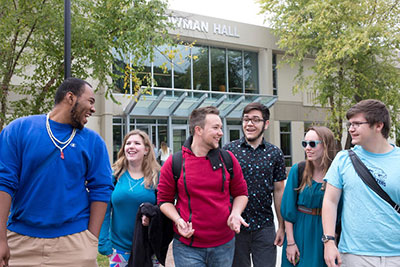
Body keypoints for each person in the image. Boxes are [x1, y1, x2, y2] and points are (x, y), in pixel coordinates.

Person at [0, 77, 113, 267]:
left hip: (75, 243)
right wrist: (1, 238)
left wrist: (90, 240)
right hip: (20, 243)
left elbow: (101, 189)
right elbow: (4, 182)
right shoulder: (19, 130)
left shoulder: (93, 142)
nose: (93, 109)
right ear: (70, 97)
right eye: (90, 101)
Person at [157, 106, 249, 267]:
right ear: (198, 130)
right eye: (215, 128)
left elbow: (241, 193)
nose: (221, 132)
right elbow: (164, 201)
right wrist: (178, 220)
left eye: (220, 127)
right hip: (187, 247)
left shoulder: (228, 160)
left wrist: (235, 213)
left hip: (224, 245)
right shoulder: (175, 163)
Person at [322, 99, 400, 267]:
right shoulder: (343, 159)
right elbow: (330, 201)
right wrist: (328, 241)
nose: (351, 129)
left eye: (357, 124)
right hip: (354, 254)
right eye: (350, 124)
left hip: (396, 254)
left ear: (378, 125)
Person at [223, 102, 286, 267]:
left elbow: (279, 191)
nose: (249, 124)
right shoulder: (228, 151)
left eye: (255, 120)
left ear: (266, 124)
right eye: (246, 119)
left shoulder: (275, 153)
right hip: (235, 228)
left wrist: (281, 226)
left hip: (264, 227)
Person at [99, 129, 161, 267]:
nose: (131, 146)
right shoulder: (114, 176)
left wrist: (152, 214)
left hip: (148, 248)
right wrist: (103, 242)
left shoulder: (157, 177)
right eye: (128, 143)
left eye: (137, 143)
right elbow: (104, 210)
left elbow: (164, 208)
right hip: (119, 249)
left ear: (146, 150)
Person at [280, 126, 338, 267]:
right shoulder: (298, 170)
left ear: (326, 145)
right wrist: (291, 242)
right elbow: (288, 211)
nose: (307, 148)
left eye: (312, 144)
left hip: (324, 233)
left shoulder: (336, 173)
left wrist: (332, 241)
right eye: (304, 144)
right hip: (300, 231)